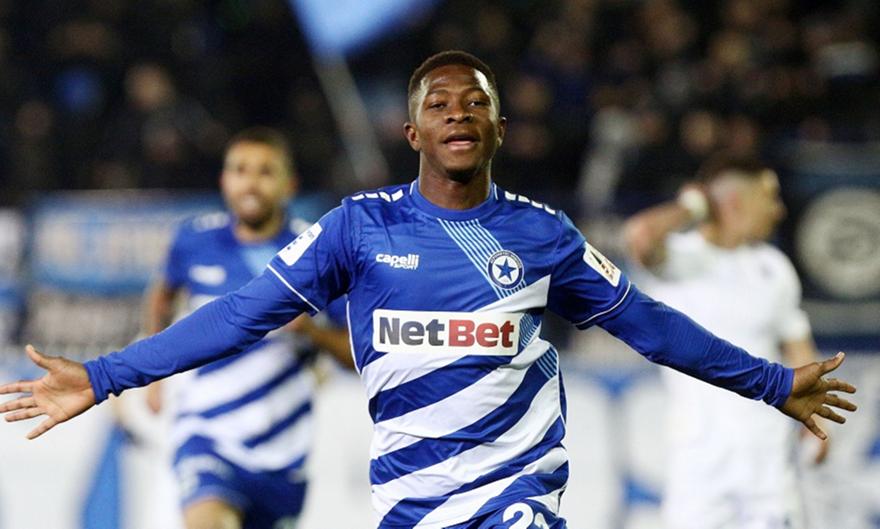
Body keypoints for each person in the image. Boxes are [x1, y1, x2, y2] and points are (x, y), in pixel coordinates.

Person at [0, 51, 857, 529]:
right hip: (411, 504)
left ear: (499, 127)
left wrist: (771, 382)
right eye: (438, 104)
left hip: (517, 497)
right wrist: (105, 374)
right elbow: (237, 315)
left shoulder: (542, 235)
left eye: (473, 103)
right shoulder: (357, 228)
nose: (456, 113)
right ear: (411, 131)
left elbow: (651, 324)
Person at [140, 126, 351, 529]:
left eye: (265, 172)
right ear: (224, 180)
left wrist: (311, 332)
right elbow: (162, 295)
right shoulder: (194, 239)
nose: (250, 183)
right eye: (240, 170)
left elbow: (356, 355)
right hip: (206, 434)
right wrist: (153, 376)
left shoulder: (318, 252)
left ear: (289, 185)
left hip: (282, 452)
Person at [623, 154, 830, 529]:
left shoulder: (773, 268)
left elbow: (798, 347)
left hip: (767, 465)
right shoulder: (679, 259)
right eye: (769, 197)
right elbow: (640, 236)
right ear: (736, 201)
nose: (779, 210)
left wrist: (817, 418)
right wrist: (693, 206)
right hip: (699, 464)